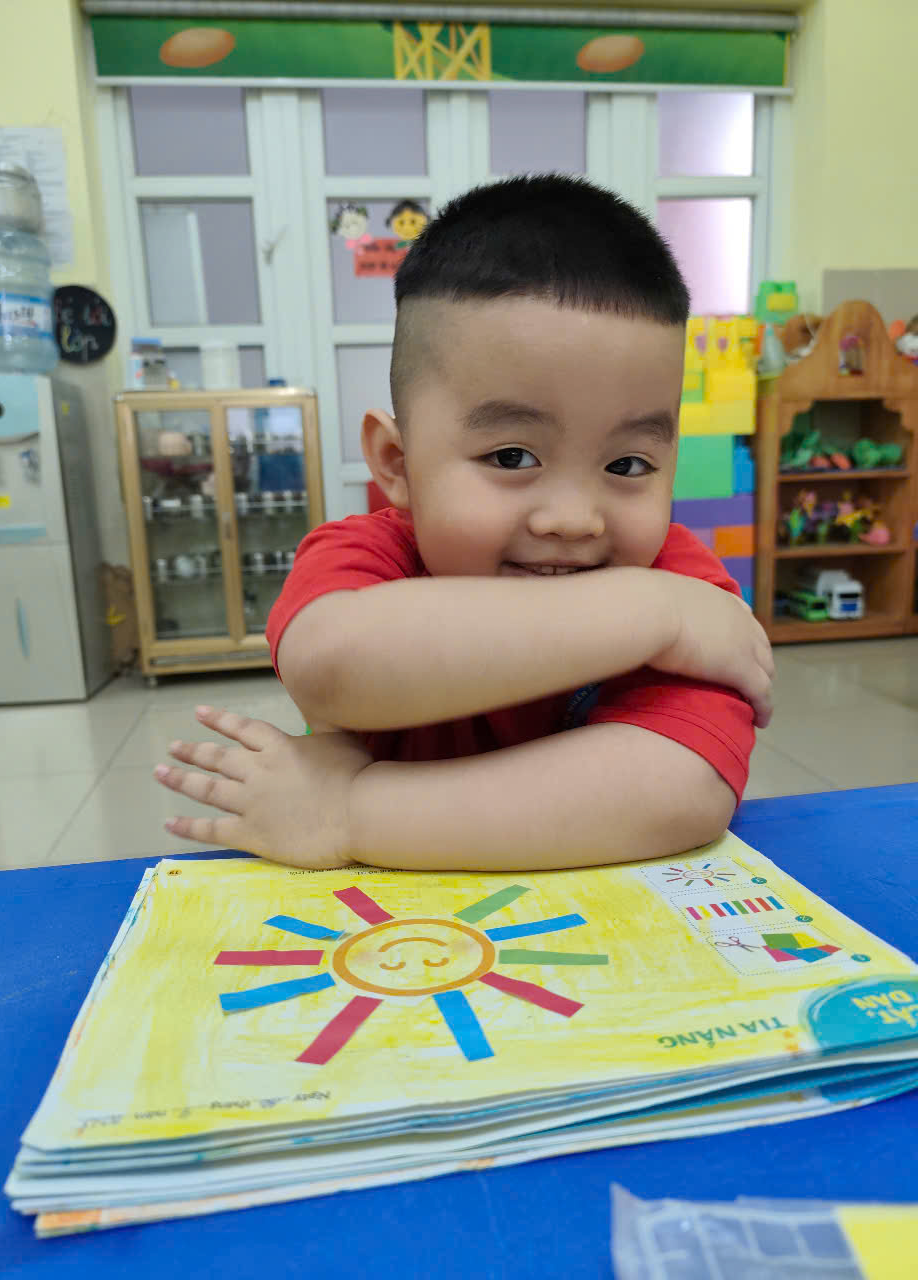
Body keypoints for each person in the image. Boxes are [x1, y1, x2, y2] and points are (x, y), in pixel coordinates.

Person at [154, 174, 774, 873]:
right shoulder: (371, 557)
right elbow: (330, 669)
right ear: (397, 463)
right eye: (512, 457)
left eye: (628, 465)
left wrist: (351, 813)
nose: (574, 519)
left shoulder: (679, 583)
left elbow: (681, 790)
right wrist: (649, 615)